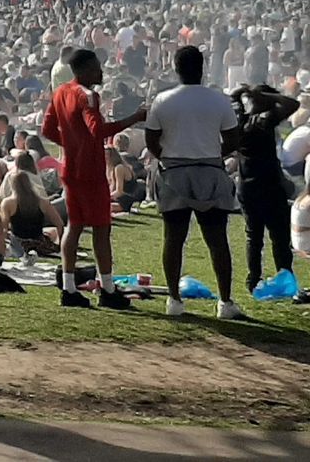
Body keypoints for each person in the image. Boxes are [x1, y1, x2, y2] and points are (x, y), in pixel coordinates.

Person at [42, 48, 145, 309]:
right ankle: (108, 289)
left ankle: (68, 287)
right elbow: (97, 130)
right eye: (97, 67)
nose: (101, 71)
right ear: (86, 70)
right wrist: (133, 118)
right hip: (90, 172)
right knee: (101, 229)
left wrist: (71, 144)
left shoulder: (60, 92)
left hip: (70, 170)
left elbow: (47, 129)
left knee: (74, 227)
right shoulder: (88, 96)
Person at [146, 46, 244, 319]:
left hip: (175, 173)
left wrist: (170, 155)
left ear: (176, 69)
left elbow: (151, 140)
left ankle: (174, 301)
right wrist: (212, 154)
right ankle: (225, 302)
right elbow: (234, 139)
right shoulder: (219, 101)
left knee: (173, 239)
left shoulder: (163, 100)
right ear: (202, 68)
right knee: (217, 240)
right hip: (210, 170)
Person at [232, 84, 298, 292]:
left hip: (246, 187)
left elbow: (231, 100)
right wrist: (266, 94)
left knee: (254, 237)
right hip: (269, 185)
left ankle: (253, 279)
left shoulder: (240, 121)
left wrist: (241, 93)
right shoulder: (264, 121)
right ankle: (285, 276)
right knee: (279, 237)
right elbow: (292, 104)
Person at [1, 170, 64, 258]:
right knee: (52, 231)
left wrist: (1, 247)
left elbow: (3, 228)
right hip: (39, 242)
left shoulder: (8, 203)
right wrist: (60, 245)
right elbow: (59, 224)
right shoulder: (42, 201)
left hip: (19, 245)